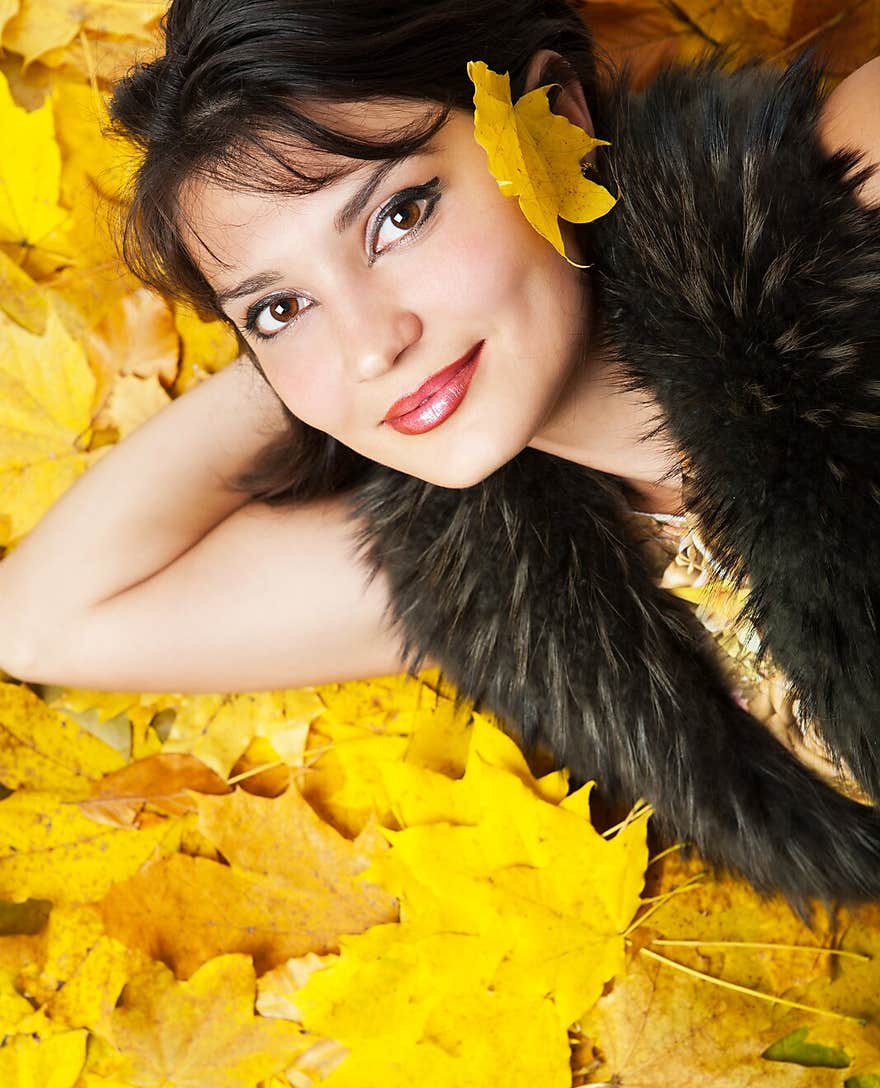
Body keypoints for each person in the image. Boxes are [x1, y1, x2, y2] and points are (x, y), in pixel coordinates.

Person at [1, 0, 879, 908]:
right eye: (274, 308)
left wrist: (298, 313)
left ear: (557, 124)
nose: (373, 345)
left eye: (399, 215)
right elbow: (46, 618)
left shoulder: (846, 196)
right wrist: (299, 362)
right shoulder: (515, 590)